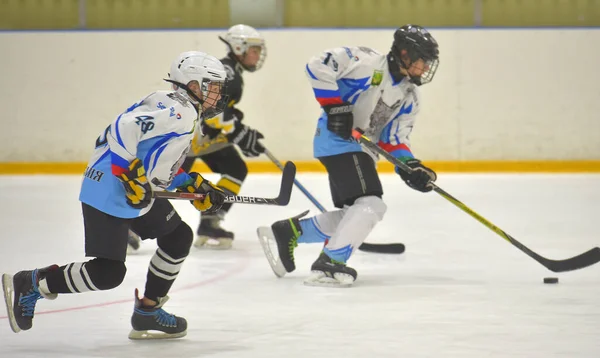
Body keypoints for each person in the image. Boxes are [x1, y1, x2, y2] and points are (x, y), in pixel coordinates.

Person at [1, 51, 228, 339]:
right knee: (107, 274)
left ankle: (147, 311)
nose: (218, 95)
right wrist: (128, 172)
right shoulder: (181, 112)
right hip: (109, 188)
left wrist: (192, 183)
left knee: (178, 237)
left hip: (127, 187)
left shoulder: (174, 104)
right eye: (214, 87)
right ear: (194, 85)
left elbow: (156, 166)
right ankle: (33, 282)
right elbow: (124, 126)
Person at [257, 25, 440, 287]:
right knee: (371, 204)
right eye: (423, 61)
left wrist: (411, 168)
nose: (425, 69)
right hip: (338, 142)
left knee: (356, 212)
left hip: (361, 150)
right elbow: (317, 64)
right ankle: (330, 263)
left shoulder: (410, 95)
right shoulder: (365, 62)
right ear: (405, 54)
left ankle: (291, 231)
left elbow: (394, 139)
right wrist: (335, 106)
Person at [178, 24, 267, 250]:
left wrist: (239, 128)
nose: (258, 55)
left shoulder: (230, 70)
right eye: (254, 50)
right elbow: (212, 111)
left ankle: (210, 219)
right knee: (162, 180)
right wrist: (238, 131)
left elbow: (222, 111)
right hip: (189, 135)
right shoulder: (229, 72)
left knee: (236, 169)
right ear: (239, 47)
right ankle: (129, 226)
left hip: (203, 134)